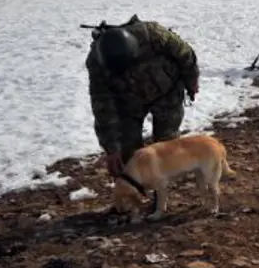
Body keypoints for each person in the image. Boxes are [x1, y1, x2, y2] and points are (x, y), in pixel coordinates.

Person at [85, 15, 199, 177]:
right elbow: (102, 107)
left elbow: (186, 55)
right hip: (128, 101)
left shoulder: (153, 34)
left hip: (166, 91)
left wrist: (191, 81)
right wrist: (111, 148)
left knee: (166, 144)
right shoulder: (96, 63)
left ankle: (164, 186)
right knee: (128, 152)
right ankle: (136, 186)